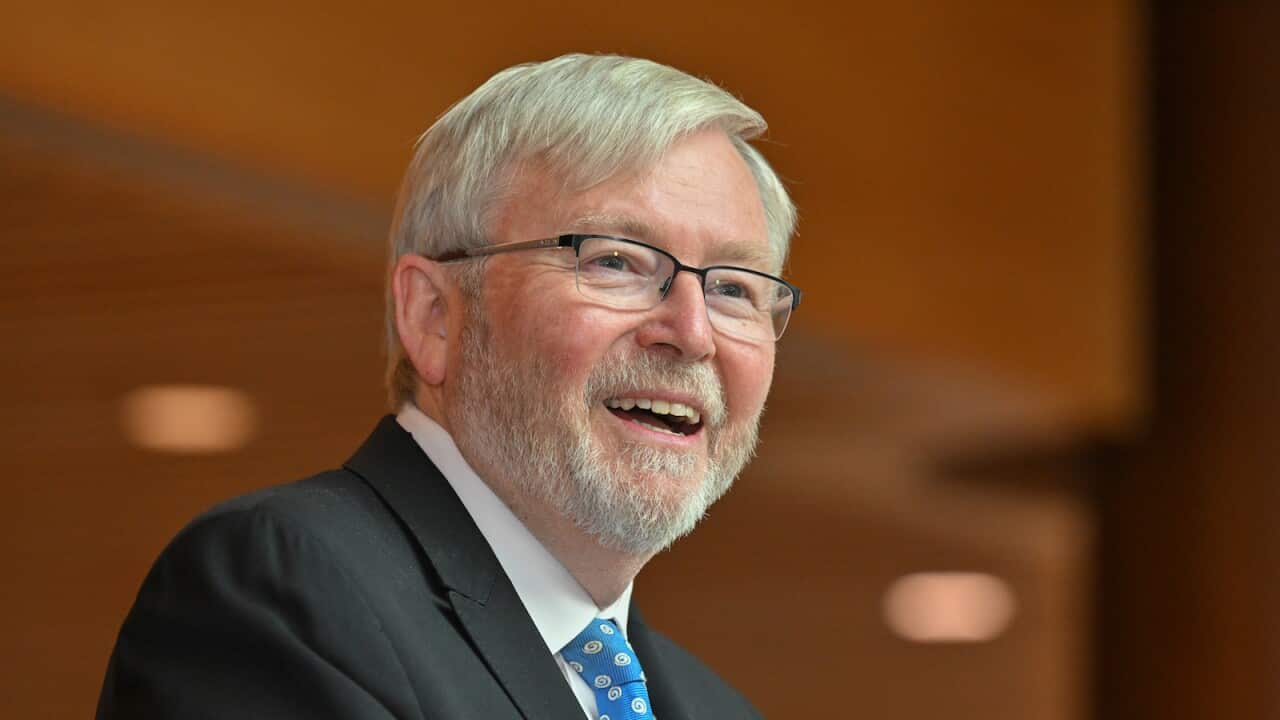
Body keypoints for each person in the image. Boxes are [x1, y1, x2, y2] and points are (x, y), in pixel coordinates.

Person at [97, 53, 801, 719]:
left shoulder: (714, 708)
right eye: (616, 261)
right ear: (434, 315)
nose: (693, 331)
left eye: (735, 288)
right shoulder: (282, 592)